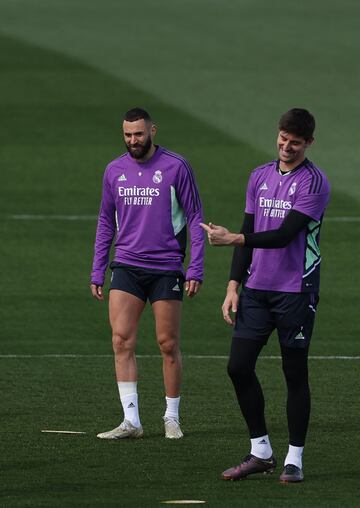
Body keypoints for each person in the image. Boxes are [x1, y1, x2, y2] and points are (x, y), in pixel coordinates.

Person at [201, 108, 330, 482]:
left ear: (308, 143)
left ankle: (294, 459)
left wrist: (232, 240)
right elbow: (249, 229)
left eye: (295, 142)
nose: (286, 147)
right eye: (282, 139)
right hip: (256, 290)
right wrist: (232, 286)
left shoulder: (314, 183)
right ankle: (261, 452)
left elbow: (283, 235)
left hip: (296, 291)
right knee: (238, 367)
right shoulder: (259, 175)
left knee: (294, 373)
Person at [90, 107, 204, 440]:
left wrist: (195, 267)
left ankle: (171, 416)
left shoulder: (176, 167)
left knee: (167, 343)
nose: (133, 141)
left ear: (152, 131)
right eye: (127, 135)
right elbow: (105, 222)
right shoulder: (114, 170)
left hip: (166, 265)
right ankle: (131, 421)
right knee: (120, 339)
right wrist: (98, 268)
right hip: (126, 264)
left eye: (138, 134)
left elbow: (196, 218)